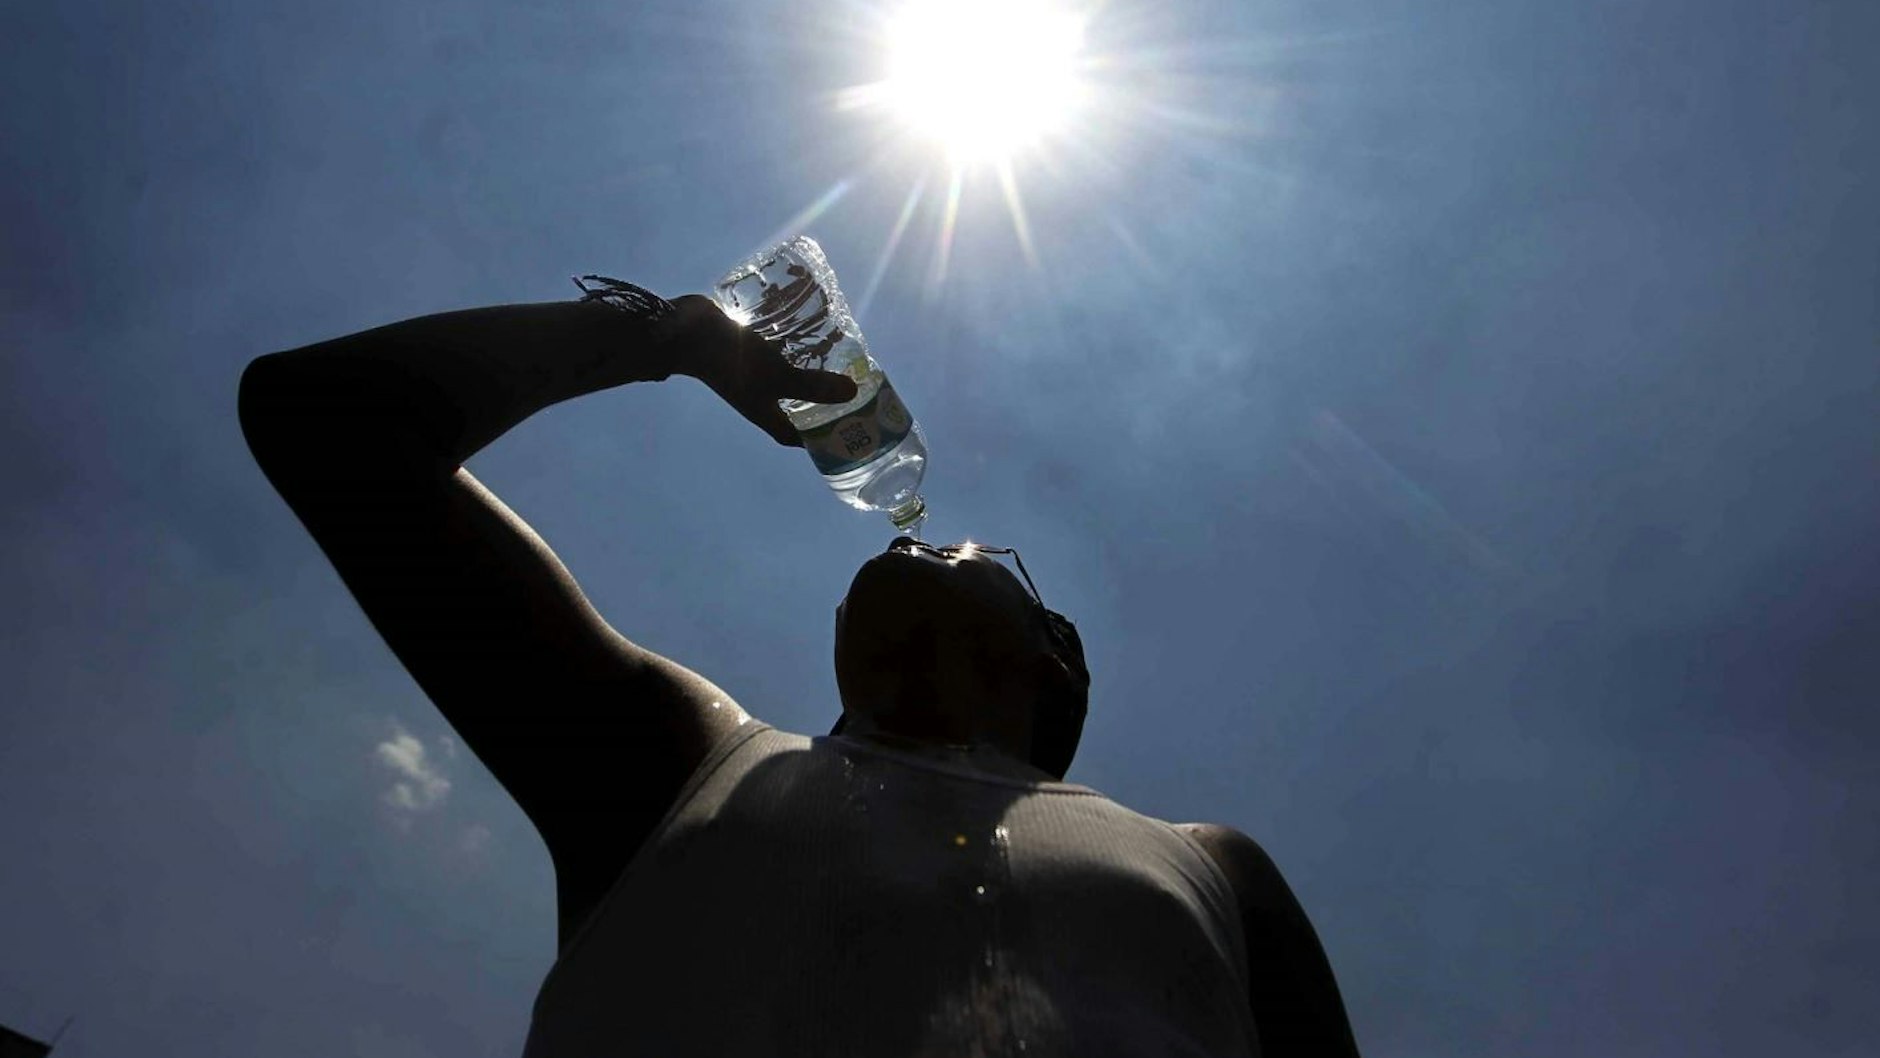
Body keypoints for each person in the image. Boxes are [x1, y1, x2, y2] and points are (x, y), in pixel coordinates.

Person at [238, 284, 1361, 1058]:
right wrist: (677, 339)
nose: (933, 541)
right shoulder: (683, 768)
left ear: (1055, 653)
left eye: (980, 553)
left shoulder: (1213, 868)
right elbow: (324, 418)